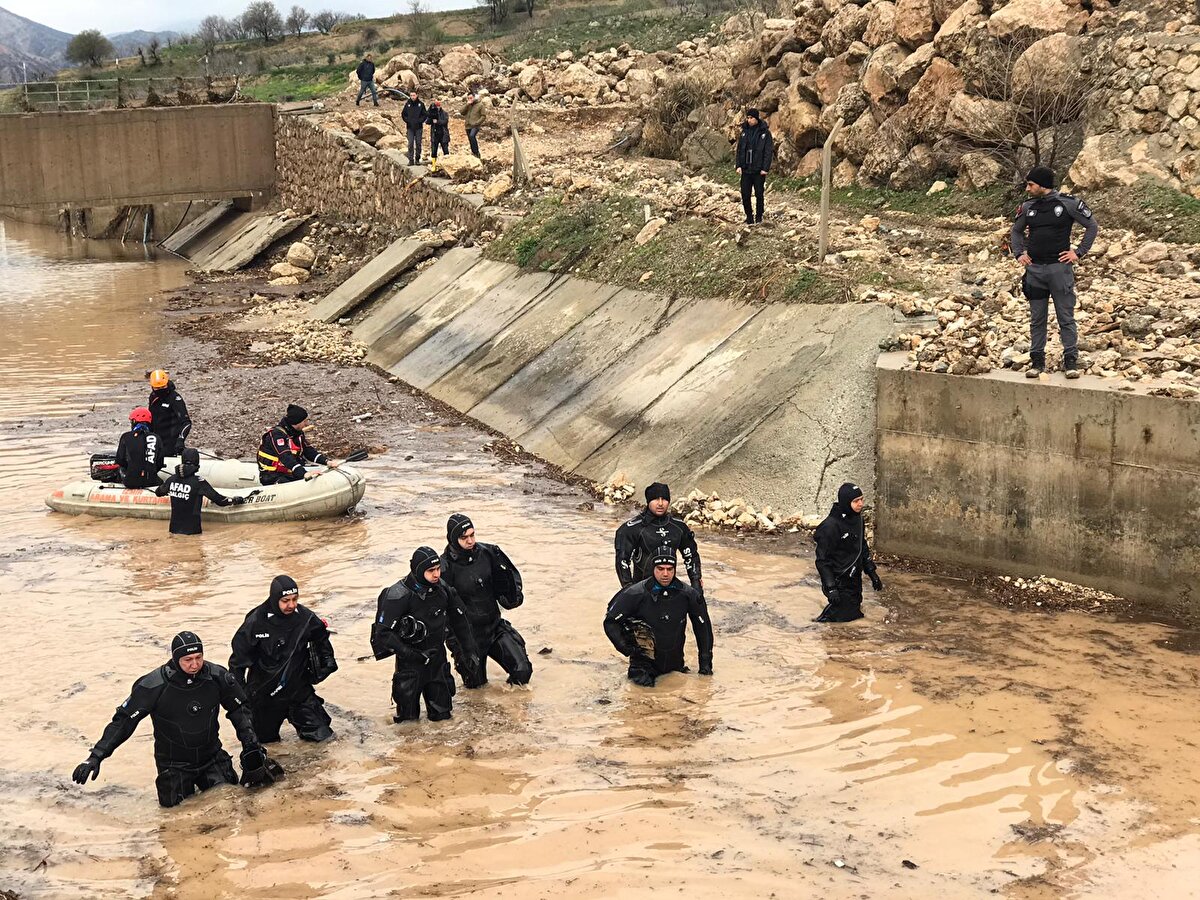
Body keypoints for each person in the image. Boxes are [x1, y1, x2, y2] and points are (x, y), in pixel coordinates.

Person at [71, 631, 282, 808]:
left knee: (229, 805)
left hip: (211, 758)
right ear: (175, 658)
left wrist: (251, 745)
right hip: (174, 765)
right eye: (188, 660)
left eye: (198, 657)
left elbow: (239, 710)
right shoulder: (153, 686)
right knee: (175, 817)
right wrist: (96, 756)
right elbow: (124, 722)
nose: (195, 664)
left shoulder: (217, 677)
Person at [370, 547, 481, 723]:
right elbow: (383, 633)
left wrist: (469, 651)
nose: (437, 574)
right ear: (418, 570)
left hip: (437, 661)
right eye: (431, 571)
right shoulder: (398, 595)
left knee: (443, 719)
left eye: (438, 569)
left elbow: (460, 621)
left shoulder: (443, 589)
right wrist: (413, 655)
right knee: (408, 723)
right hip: (410, 665)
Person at [1010, 166, 1098, 379]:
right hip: (1035, 271)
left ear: (1042, 185)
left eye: (1031, 184)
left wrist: (1078, 252)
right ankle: (1037, 361)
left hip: (1060, 270)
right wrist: (1019, 253)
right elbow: (1016, 231)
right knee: (1037, 318)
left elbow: (1092, 226)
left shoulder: (1068, 204)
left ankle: (1070, 361)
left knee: (1065, 317)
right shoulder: (1027, 207)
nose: (1028, 188)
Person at [229, 575, 338, 744]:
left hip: (299, 691)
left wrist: (326, 662)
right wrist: (242, 698)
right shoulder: (255, 622)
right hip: (265, 696)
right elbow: (237, 664)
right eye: (286, 600)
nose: (291, 605)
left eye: (295, 599)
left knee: (325, 740)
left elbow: (321, 636)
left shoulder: (305, 617)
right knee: (266, 745)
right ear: (275, 598)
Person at [440, 514, 531, 689]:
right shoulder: (443, 569)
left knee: (522, 671)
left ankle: (512, 708)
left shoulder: (489, 553)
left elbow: (511, 580)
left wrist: (513, 596)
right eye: (464, 537)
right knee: (476, 689)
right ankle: (483, 715)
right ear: (452, 538)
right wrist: (455, 644)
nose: (470, 541)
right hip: (467, 638)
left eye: (472, 535)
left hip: (494, 627)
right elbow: (440, 610)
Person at [604, 547, 714, 687]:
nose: (665, 574)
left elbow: (703, 628)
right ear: (653, 568)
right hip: (642, 668)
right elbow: (610, 622)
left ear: (675, 569)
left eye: (670, 569)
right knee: (642, 701)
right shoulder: (634, 593)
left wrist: (705, 668)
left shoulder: (688, 595)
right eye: (660, 569)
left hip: (675, 666)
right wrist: (627, 649)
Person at [812, 482, 883, 623]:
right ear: (846, 502)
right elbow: (822, 561)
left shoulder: (858, 520)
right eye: (856, 501)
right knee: (839, 617)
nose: (861, 504)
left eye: (862, 499)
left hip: (854, 578)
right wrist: (831, 587)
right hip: (838, 580)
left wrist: (872, 573)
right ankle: (813, 630)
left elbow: (862, 548)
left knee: (855, 613)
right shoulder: (830, 526)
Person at [615, 482, 703, 594]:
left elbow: (692, 556)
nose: (660, 503)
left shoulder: (679, 527)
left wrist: (696, 586)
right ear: (648, 501)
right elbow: (622, 561)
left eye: (664, 499)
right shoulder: (631, 529)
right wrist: (629, 590)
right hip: (642, 592)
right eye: (656, 499)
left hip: (670, 591)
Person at [155, 448, 247, 535]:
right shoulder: (199, 482)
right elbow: (220, 501)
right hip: (193, 532)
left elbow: (158, 492)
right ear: (197, 462)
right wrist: (235, 500)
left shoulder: (171, 479)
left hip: (173, 531)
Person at [257, 404, 336, 485]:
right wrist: (303, 473)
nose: (307, 424)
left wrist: (327, 462)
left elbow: (308, 451)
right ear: (296, 422)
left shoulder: (297, 434)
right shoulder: (276, 435)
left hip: (290, 472)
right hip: (271, 475)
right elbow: (285, 456)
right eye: (304, 421)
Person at [735, 108, 773, 226]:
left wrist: (765, 168)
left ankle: (759, 216)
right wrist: (739, 165)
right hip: (746, 169)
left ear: (756, 118)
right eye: (748, 118)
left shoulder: (764, 133)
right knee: (745, 194)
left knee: (759, 194)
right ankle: (749, 217)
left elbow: (768, 151)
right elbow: (740, 149)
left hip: (758, 169)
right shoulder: (744, 132)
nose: (749, 120)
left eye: (751, 118)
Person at [115, 406, 164, 489]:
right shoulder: (157, 438)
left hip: (130, 482)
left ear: (134, 421)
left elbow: (120, 461)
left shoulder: (126, 437)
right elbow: (159, 463)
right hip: (152, 481)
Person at [147, 369, 191, 456]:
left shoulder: (175, 399)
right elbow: (151, 419)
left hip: (171, 444)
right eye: (157, 388)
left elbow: (186, 422)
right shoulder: (153, 397)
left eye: (162, 387)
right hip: (155, 442)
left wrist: (180, 440)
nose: (160, 390)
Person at [402, 90, 428, 165]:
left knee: (418, 143)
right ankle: (411, 160)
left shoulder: (421, 104)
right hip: (410, 127)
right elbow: (403, 114)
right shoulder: (407, 104)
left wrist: (420, 121)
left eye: (414, 95)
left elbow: (425, 115)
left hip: (418, 127)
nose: (412, 97)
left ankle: (417, 159)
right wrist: (408, 121)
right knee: (410, 143)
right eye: (411, 95)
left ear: (416, 95)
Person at [462, 91, 486, 159]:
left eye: (471, 98)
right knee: (470, 139)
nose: (470, 99)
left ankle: (476, 153)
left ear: (474, 97)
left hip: (475, 125)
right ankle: (474, 153)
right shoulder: (468, 105)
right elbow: (461, 112)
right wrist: (467, 104)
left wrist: (477, 122)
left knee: (472, 136)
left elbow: (483, 116)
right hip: (468, 125)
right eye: (468, 98)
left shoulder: (480, 105)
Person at [427, 100, 450, 168]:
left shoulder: (444, 113)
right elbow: (427, 122)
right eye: (436, 106)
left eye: (438, 106)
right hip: (435, 135)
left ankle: (448, 165)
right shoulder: (432, 113)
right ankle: (434, 165)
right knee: (434, 151)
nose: (437, 107)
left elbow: (445, 122)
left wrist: (437, 121)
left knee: (445, 150)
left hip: (443, 134)